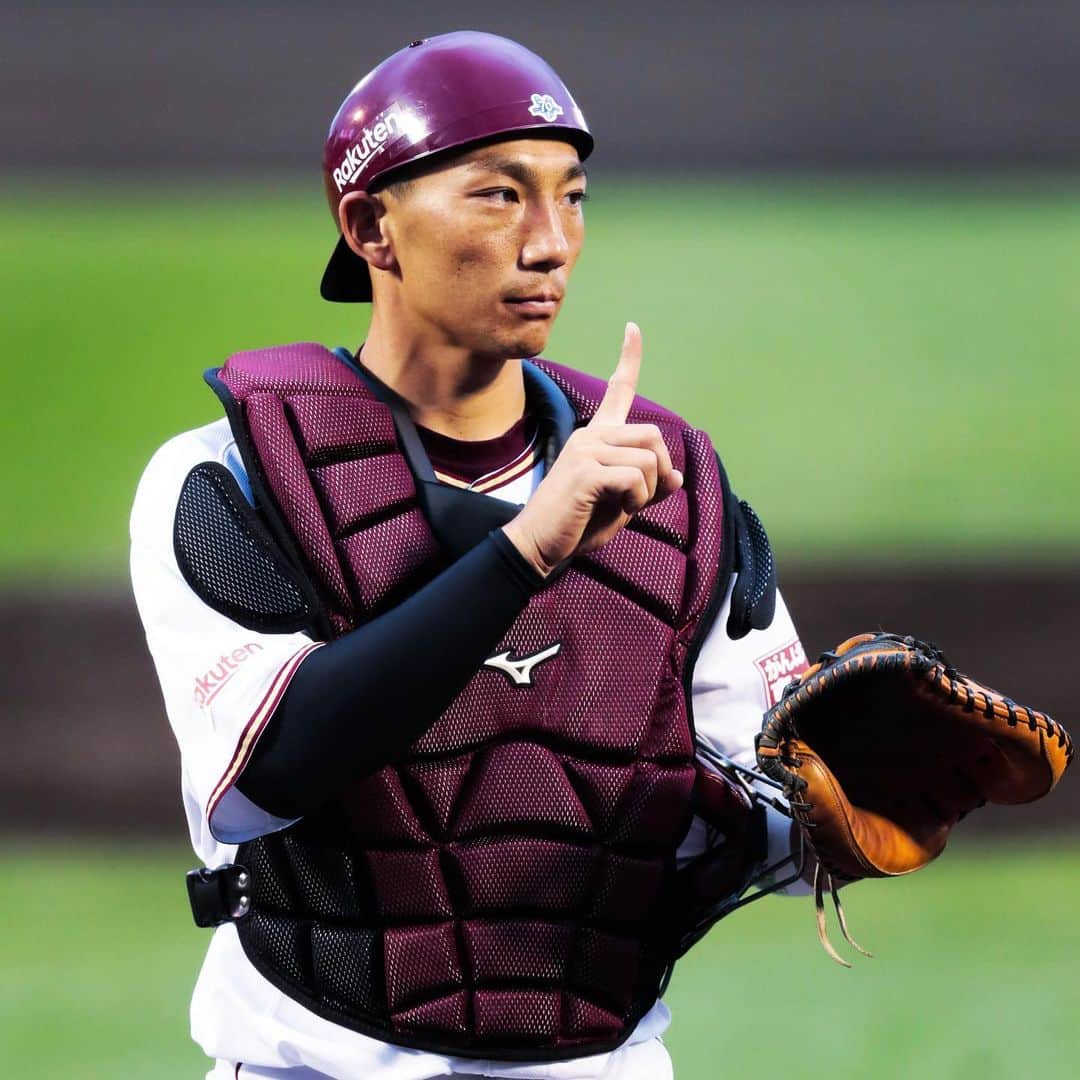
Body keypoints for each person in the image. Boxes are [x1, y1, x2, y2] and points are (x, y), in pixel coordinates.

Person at [130, 31, 809, 1080]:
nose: (551, 243)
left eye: (572, 196)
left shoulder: (673, 483)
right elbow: (264, 778)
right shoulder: (230, 479)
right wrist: (529, 550)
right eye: (499, 196)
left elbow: (771, 814)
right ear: (371, 225)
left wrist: (850, 804)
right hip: (312, 1063)